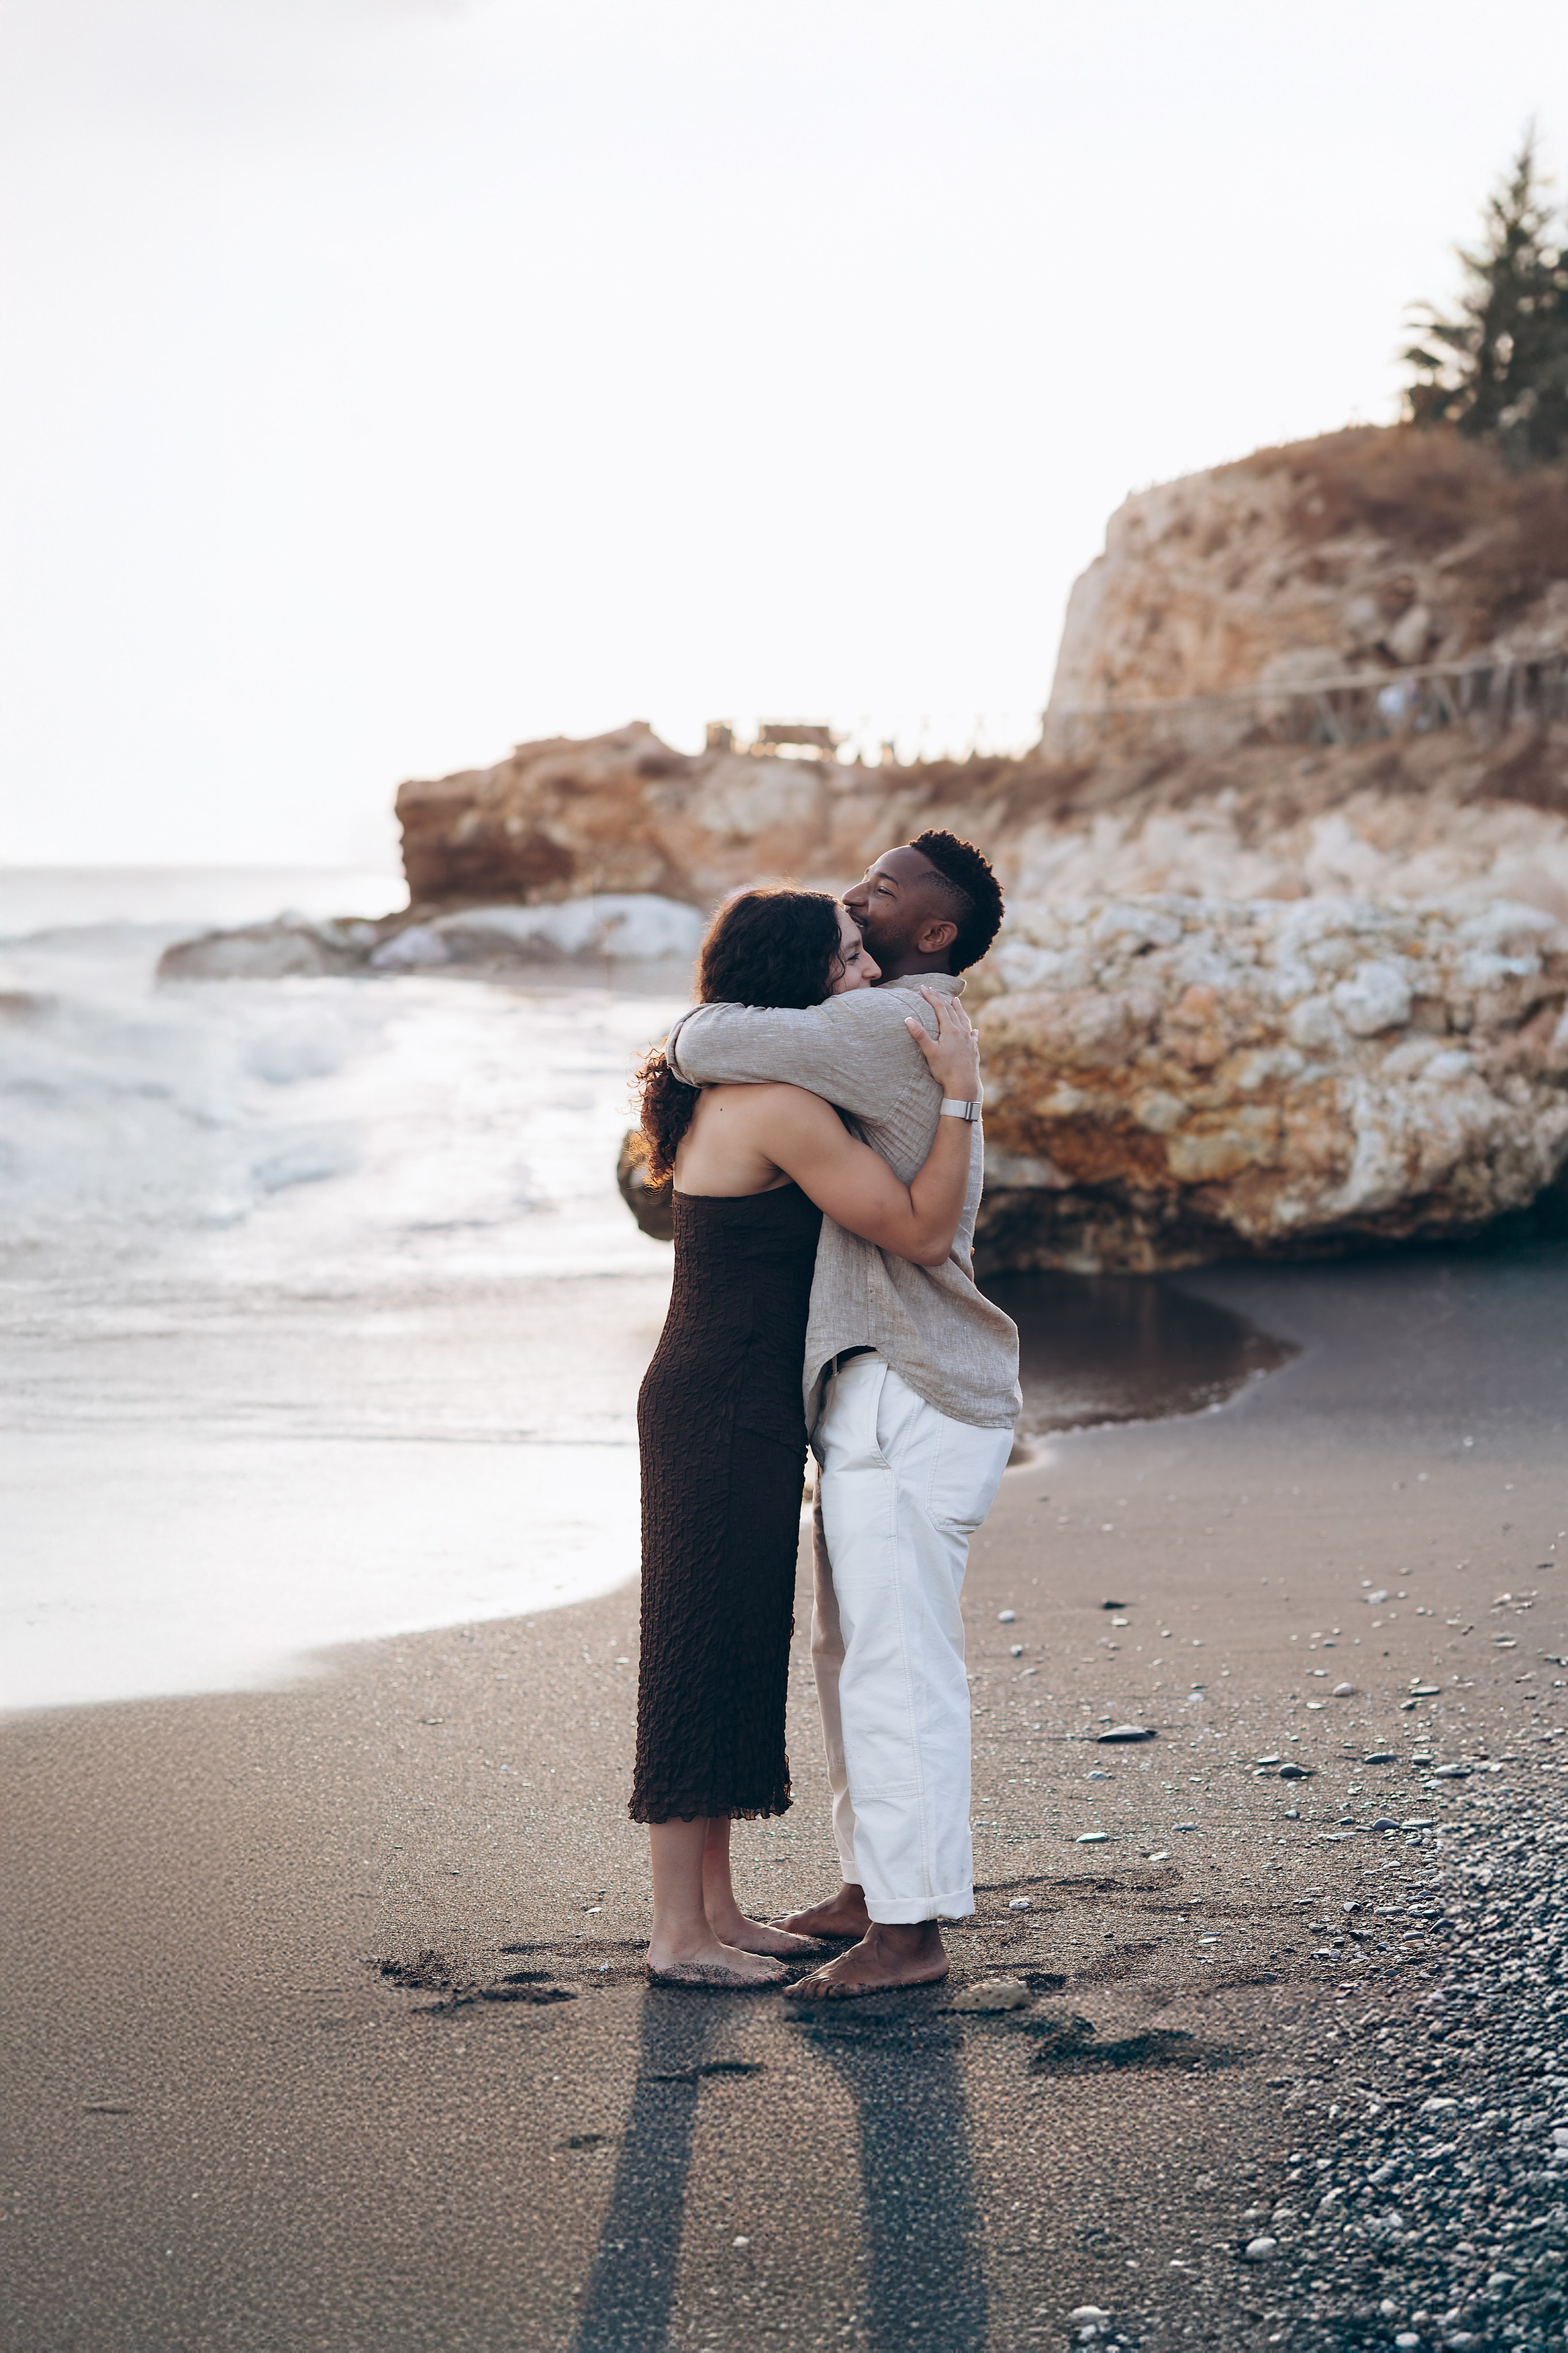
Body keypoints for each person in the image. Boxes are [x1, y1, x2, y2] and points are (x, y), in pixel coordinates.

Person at [662, 832, 1020, 1998]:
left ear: (936, 934)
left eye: (888, 889)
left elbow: (712, 1031)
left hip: (910, 1381)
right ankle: (878, 1886)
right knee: (853, 1648)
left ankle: (908, 1933)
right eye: (855, 891)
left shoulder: (882, 1024)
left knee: (892, 1663)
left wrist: (678, 1034)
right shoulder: (904, 1026)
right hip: (878, 1383)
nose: (862, 898)